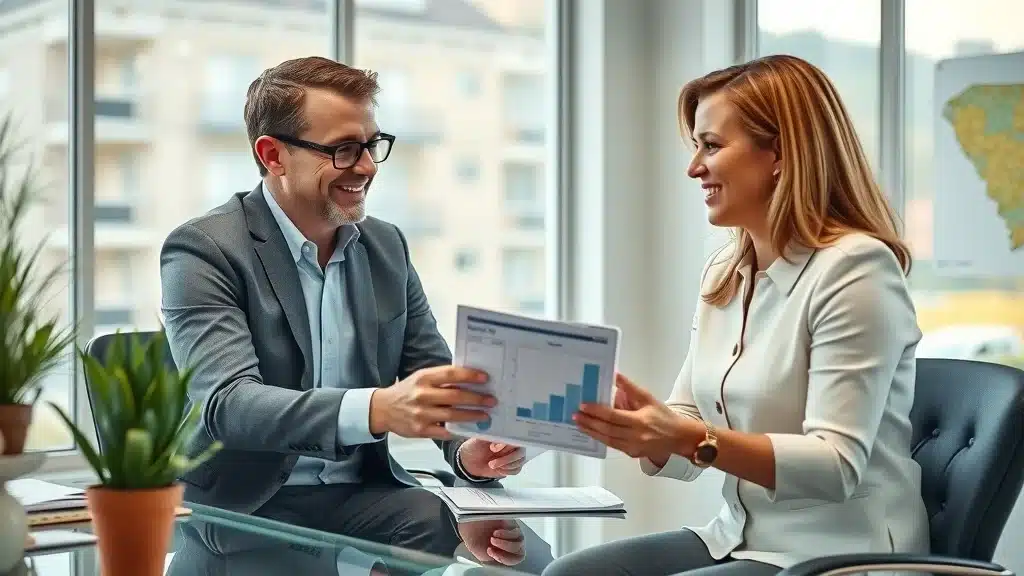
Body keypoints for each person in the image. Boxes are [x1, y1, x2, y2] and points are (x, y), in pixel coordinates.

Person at [543, 54, 930, 576]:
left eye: (712, 146)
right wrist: (645, 428)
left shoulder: (856, 269)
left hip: (840, 554)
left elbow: (836, 465)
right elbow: (693, 424)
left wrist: (683, 437)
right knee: (569, 574)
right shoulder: (726, 271)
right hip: (738, 538)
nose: (694, 167)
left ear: (780, 154)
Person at [160, 56, 542, 568]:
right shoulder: (204, 249)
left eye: (371, 145)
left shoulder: (385, 246)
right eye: (342, 149)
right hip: (246, 510)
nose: (366, 166)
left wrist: (467, 452)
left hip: (365, 497)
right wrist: (378, 409)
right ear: (273, 155)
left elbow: (429, 375)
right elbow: (229, 404)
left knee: (524, 558)